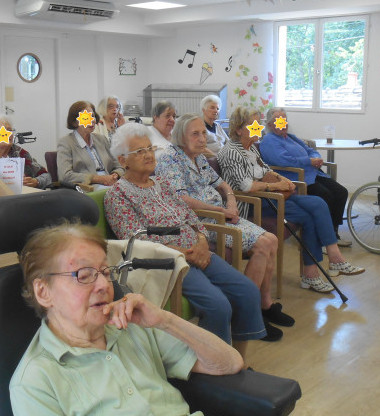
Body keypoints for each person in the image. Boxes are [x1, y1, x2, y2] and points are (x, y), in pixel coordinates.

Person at [9, 221, 368, 416]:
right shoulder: (36, 380)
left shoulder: (131, 327)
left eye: (105, 271)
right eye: (84, 275)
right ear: (43, 292)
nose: (104, 285)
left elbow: (230, 363)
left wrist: (163, 319)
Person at [105, 122, 272, 350]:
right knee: (218, 305)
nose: (148, 155)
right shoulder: (117, 195)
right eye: (140, 151)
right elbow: (135, 240)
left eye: (150, 149)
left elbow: (191, 218)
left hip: (198, 251)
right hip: (168, 262)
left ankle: (237, 360)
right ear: (123, 161)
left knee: (247, 291)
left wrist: (202, 241)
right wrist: (185, 254)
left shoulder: (161, 184)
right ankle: (215, 369)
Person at [155, 115, 293, 332]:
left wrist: (230, 200)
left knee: (271, 240)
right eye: (195, 134)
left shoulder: (198, 158)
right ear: (181, 136)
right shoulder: (169, 159)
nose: (202, 139)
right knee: (263, 244)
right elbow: (181, 200)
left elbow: (222, 184)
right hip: (200, 222)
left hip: (221, 215)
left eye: (203, 133)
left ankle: (264, 305)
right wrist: (220, 210)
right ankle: (247, 313)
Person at [219, 108, 364, 293]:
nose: (259, 129)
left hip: (268, 197)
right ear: (239, 129)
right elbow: (247, 186)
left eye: (259, 124)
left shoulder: (251, 149)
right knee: (308, 216)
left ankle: (332, 260)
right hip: (252, 204)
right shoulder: (231, 151)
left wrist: (283, 180)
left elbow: (266, 171)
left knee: (318, 203)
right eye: (254, 125)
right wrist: (276, 186)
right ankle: (314, 272)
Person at [258, 108, 351, 246]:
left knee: (341, 192)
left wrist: (315, 158)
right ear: (270, 125)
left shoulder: (290, 137)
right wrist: (308, 161)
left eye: (285, 119)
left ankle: (333, 234)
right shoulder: (269, 141)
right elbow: (283, 160)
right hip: (298, 178)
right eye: (279, 120)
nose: (284, 123)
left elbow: (311, 150)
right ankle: (324, 239)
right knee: (326, 196)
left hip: (313, 173)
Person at [57, 100, 124, 187]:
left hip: (111, 183)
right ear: (75, 121)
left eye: (93, 116)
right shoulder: (66, 142)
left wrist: (115, 175)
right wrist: (98, 179)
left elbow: (119, 166)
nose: (92, 120)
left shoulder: (102, 139)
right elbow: (65, 176)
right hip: (88, 187)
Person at [0, 115, 51, 189]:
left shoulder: (21, 153)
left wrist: (36, 182)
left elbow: (46, 175)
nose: (9, 134)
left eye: (10, 130)